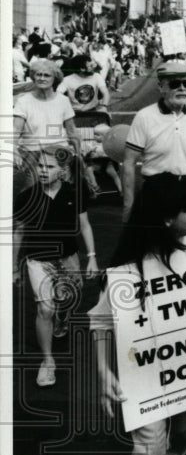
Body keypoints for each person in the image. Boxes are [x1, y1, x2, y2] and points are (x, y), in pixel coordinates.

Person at [88, 173, 186, 455]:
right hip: (143, 376)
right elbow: (100, 321)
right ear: (167, 219)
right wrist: (102, 371)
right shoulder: (127, 270)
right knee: (150, 449)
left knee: (183, 434)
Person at [13, 146, 99, 386]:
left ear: (62, 171)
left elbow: (84, 225)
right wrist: (11, 267)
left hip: (68, 258)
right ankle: (48, 361)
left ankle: (63, 318)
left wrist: (91, 256)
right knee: (45, 310)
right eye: (40, 166)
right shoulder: (27, 197)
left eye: (49, 167)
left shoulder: (75, 191)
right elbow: (18, 234)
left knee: (67, 300)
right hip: (37, 260)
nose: (42, 171)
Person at [121, 60, 186, 224]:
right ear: (161, 88)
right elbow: (129, 163)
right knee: (157, 245)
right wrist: (129, 206)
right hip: (157, 190)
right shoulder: (144, 117)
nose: (182, 88)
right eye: (174, 84)